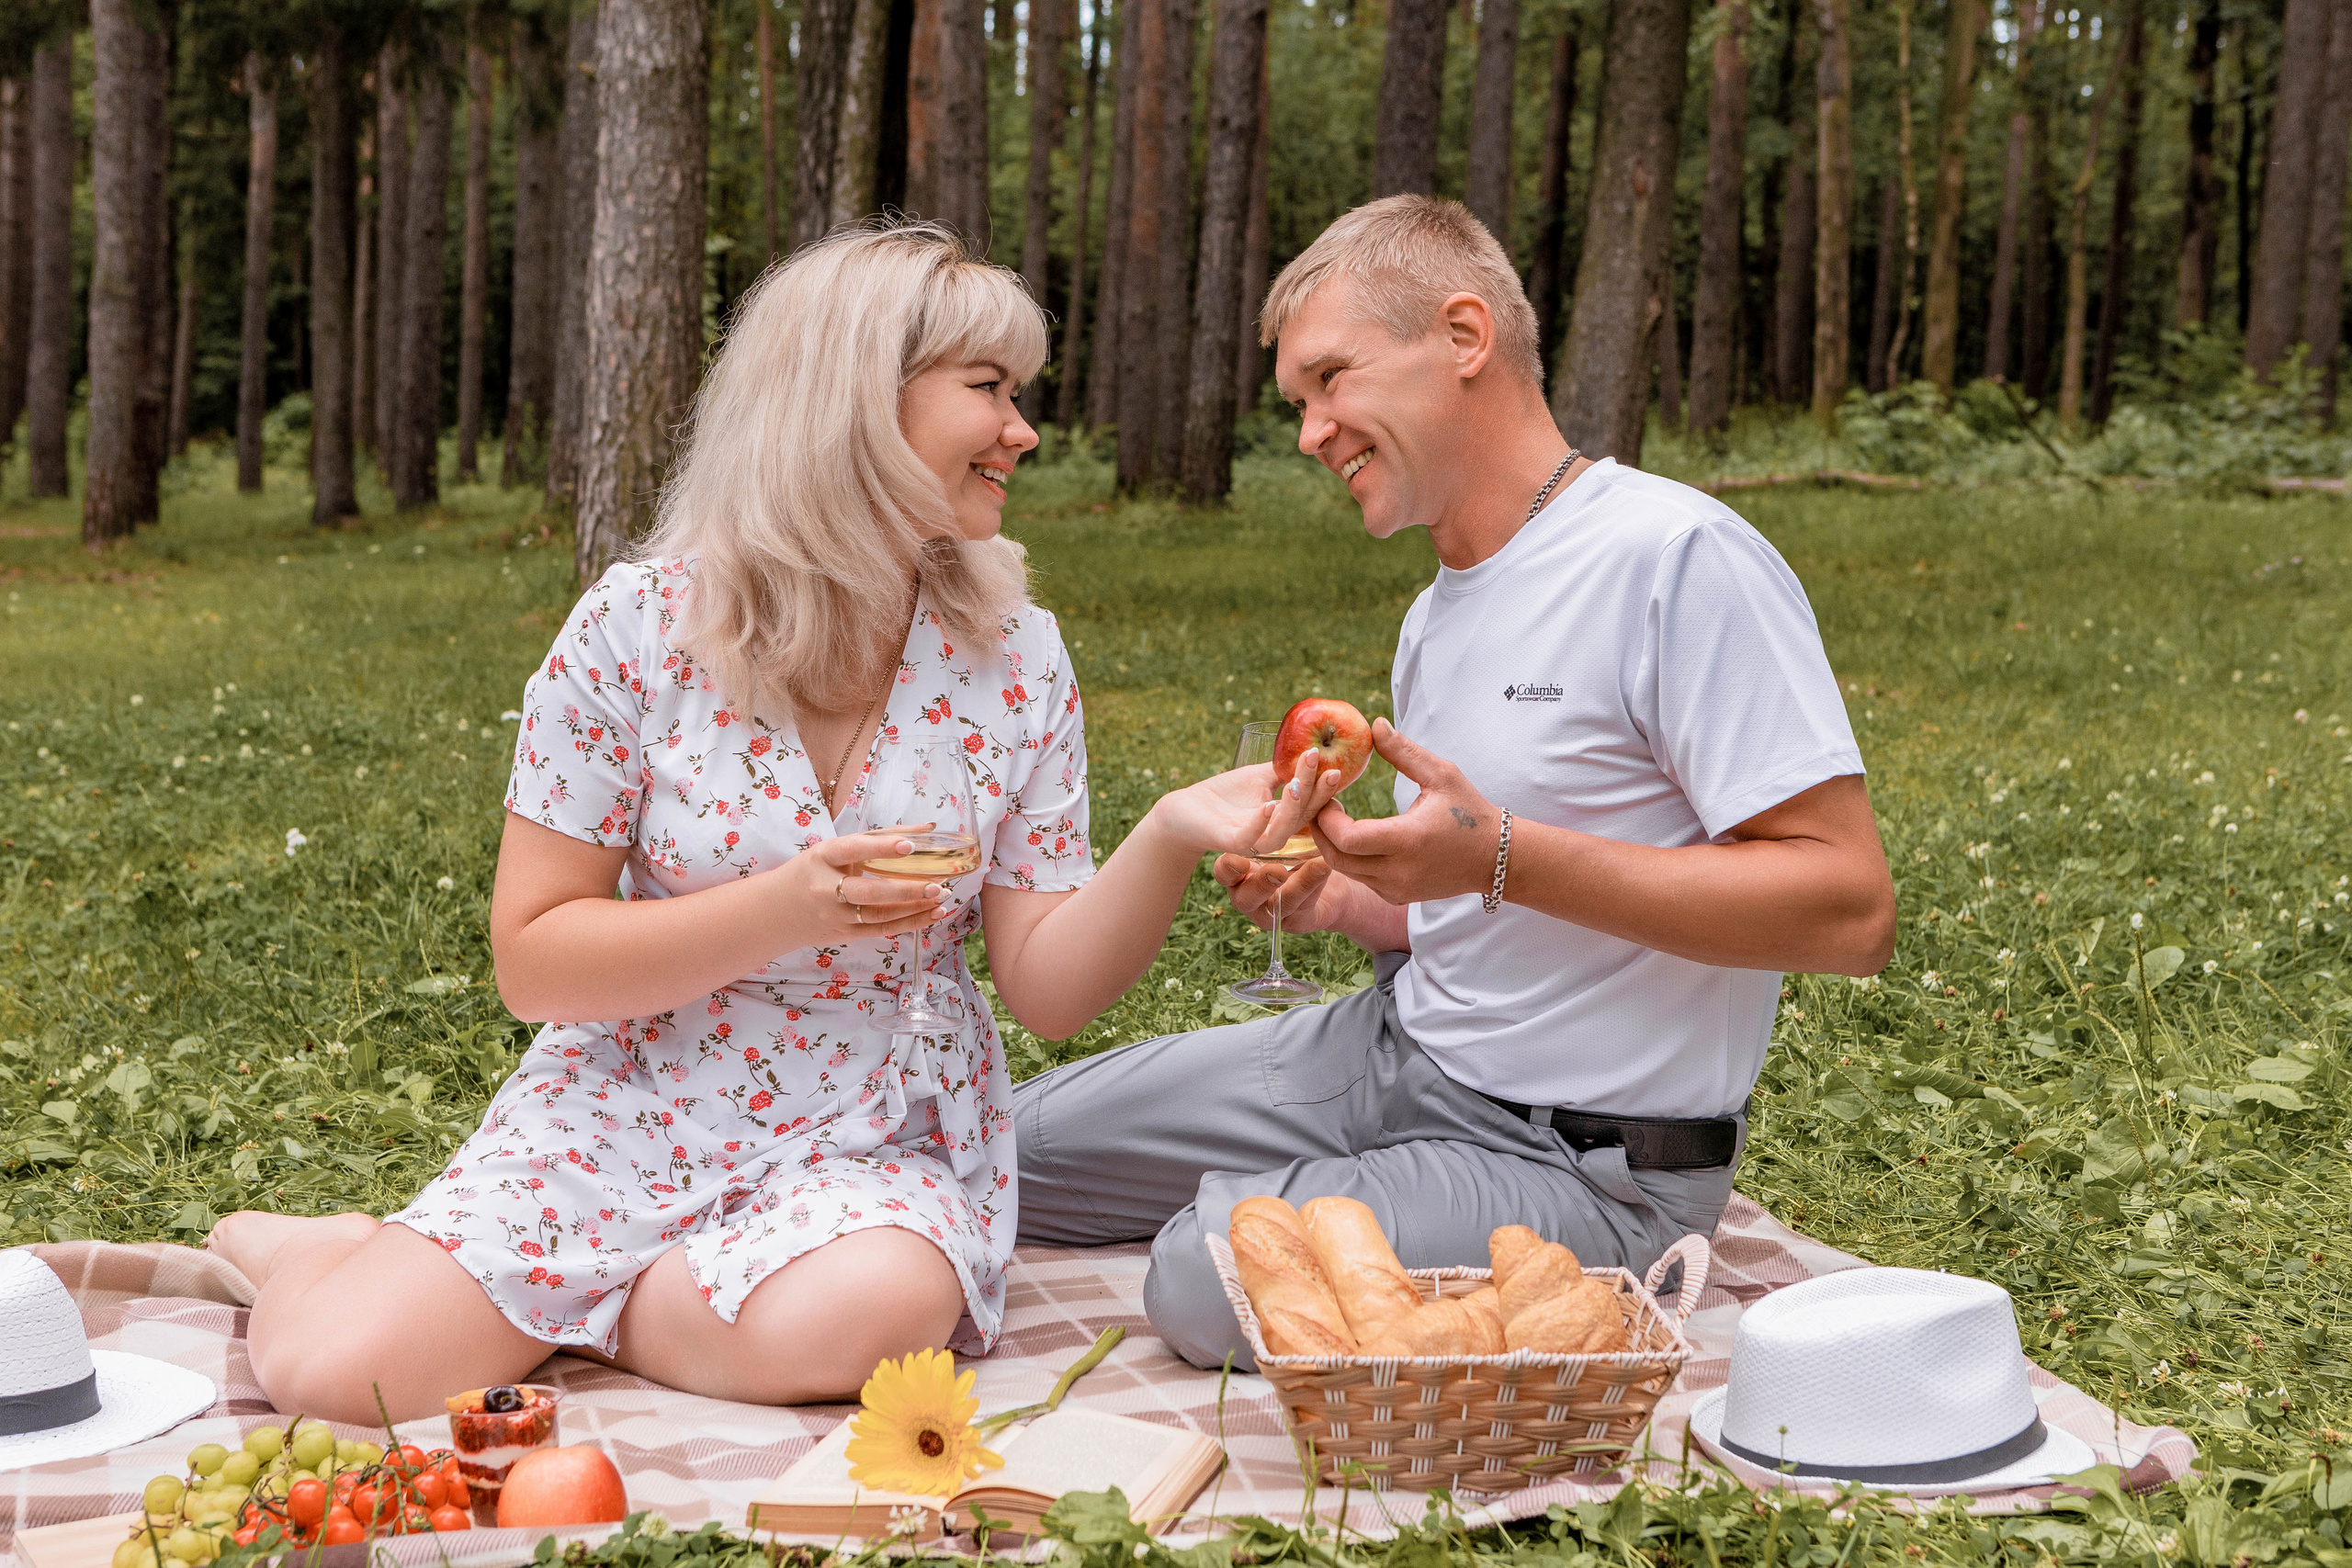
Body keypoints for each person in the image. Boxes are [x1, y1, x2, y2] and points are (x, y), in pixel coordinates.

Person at [206, 224, 1330, 1423]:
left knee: (877, 1308)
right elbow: (534, 962)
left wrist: (1166, 834)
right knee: (338, 1374)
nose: (1024, 430)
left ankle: (561, 1299)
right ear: (857, 400)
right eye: (989, 388)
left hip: (874, 1120)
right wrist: (788, 907)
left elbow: (1046, 993)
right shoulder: (637, 629)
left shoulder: (1016, 656)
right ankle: (337, 1251)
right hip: (632, 1093)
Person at [1012, 197, 1899, 1370]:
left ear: (1465, 336)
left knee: (1203, 1275)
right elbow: (1481, 916)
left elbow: (1849, 911)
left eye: (1330, 380)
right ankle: (1340, 1183)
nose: (1309, 434)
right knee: (997, 1152)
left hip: (1585, 1166)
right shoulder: (1437, 615)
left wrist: (1499, 856)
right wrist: (1350, 897)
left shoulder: (1675, 559)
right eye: (1296, 403)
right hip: (1395, 1054)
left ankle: (1333, 1199)